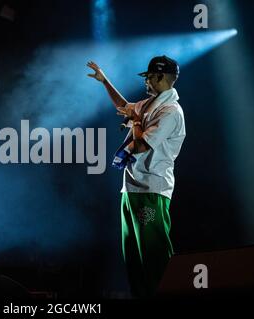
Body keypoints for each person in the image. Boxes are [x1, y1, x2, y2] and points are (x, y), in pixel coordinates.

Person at [87, 56, 186, 298]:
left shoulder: (170, 111)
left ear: (161, 77)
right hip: (131, 189)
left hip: (152, 190)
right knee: (133, 260)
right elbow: (124, 106)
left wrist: (134, 124)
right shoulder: (149, 104)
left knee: (154, 258)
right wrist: (105, 81)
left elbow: (141, 145)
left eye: (150, 77)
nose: (147, 81)